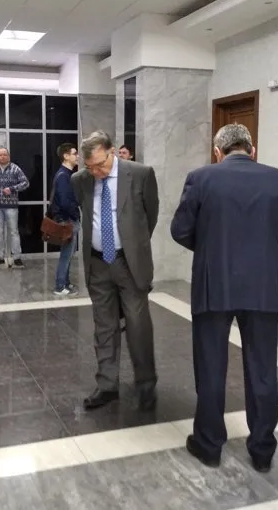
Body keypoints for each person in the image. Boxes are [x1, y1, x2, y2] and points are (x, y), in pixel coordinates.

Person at [171, 124, 278, 471]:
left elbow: (180, 230)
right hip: (263, 285)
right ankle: (262, 450)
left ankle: (209, 444)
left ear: (218, 151)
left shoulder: (201, 178)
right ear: (252, 149)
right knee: (263, 370)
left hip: (214, 284)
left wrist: (212, 246)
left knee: (210, 367)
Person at [71, 131, 159, 411]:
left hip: (128, 263)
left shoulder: (141, 174)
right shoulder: (80, 180)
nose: (96, 172)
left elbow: (150, 216)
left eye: (100, 165)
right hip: (98, 263)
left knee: (137, 325)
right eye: (90, 167)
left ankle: (145, 384)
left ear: (111, 151)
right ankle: (107, 385)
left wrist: (132, 246)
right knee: (104, 326)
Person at [0, 148, 30, 268]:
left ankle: (17, 258)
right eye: (0, 155)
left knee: (14, 232)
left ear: (9, 156)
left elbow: (26, 183)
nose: (3, 157)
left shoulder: (15, 169)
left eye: (5, 154)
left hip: (11, 207)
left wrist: (12, 189)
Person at [52, 144, 80, 296]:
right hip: (67, 220)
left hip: (67, 219)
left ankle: (66, 283)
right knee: (66, 254)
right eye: (75, 153)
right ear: (66, 156)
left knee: (68, 254)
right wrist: (75, 215)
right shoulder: (63, 175)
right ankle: (60, 286)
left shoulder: (66, 174)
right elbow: (64, 202)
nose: (78, 156)